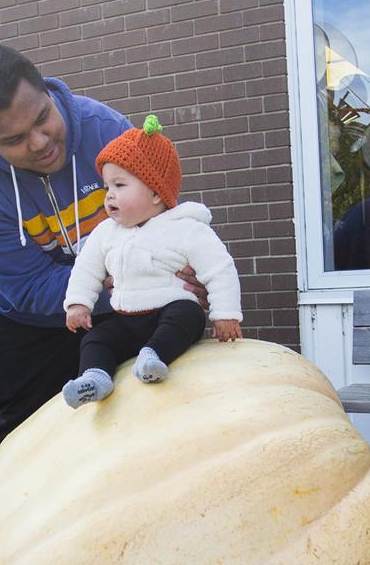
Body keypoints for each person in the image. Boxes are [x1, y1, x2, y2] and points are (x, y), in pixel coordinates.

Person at [0, 41, 205, 441]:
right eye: (15, 139)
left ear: (48, 92)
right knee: (35, 447)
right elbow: (27, 288)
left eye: (42, 118)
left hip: (122, 301)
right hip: (23, 327)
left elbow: (157, 218)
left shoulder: (107, 130)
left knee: (144, 430)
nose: (39, 142)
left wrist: (181, 276)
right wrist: (127, 277)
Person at [62, 116, 243, 409]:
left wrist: (226, 314)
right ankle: (95, 378)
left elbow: (219, 269)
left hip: (168, 312)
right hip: (126, 318)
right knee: (96, 338)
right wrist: (78, 303)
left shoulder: (187, 228)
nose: (109, 195)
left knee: (187, 314)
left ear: (156, 192)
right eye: (107, 186)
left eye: (119, 185)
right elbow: (86, 268)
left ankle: (154, 358)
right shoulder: (106, 233)